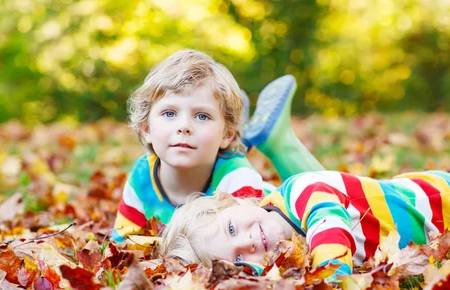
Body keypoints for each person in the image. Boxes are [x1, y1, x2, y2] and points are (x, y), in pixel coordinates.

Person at [160, 152, 450, 282]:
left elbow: (329, 228)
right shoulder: (287, 258)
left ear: (235, 201)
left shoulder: (300, 191)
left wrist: (332, 279)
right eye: (239, 260)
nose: (247, 243)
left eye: (232, 228)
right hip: (443, 213)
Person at [112, 49, 324, 242]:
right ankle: (236, 121)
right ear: (146, 128)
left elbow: (237, 246)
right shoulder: (142, 175)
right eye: (169, 113)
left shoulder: (239, 179)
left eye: (202, 116)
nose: (184, 127)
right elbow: (121, 241)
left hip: (296, 208)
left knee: (324, 194)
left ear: (227, 135)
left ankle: (279, 141)